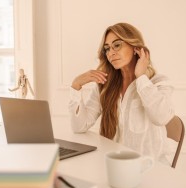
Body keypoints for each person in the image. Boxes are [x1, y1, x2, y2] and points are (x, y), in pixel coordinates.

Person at [68, 22, 175, 164]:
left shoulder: (158, 82)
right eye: (107, 49)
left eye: (117, 45)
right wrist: (76, 86)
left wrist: (141, 77)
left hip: (151, 169)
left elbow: (161, 117)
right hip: (117, 166)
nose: (111, 53)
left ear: (136, 48)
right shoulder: (104, 86)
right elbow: (79, 127)